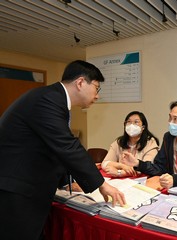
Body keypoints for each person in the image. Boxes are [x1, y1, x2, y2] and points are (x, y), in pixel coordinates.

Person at [0, 60, 126, 240]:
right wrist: (102, 184)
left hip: (23, 189)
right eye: (97, 88)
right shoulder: (48, 100)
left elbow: (51, 148)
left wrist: (66, 181)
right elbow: (67, 146)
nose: (97, 96)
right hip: (16, 193)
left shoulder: (54, 99)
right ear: (81, 83)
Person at [123, 100, 177, 189]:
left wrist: (176, 179)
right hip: (174, 188)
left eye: (175, 119)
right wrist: (138, 163)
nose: (170, 122)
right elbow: (160, 167)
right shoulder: (168, 138)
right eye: (170, 118)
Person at [102, 111, 159, 177]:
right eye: (129, 122)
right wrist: (122, 166)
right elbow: (105, 163)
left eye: (136, 122)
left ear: (143, 127)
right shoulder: (119, 142)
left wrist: (119, 172)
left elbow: (147, 168)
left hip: (141, 182)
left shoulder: (150, 143)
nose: (132, 125)